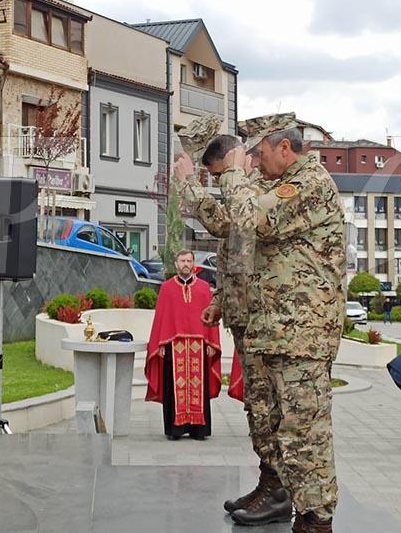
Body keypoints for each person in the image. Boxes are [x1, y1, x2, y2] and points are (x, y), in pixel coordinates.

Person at [207, 113, 345, 532]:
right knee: (283, 428)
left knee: (306, 434)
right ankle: (292, 503)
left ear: (286, 148)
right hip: (278, 328)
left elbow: (252, 220)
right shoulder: (281, 184)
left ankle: (316, 521)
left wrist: (232, 173)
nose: (257, 161)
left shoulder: (309, 184)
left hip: (303, 333)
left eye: (261, 152)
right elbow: (233, 224)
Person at [176, 130, 271, 511]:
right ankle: (270, 485)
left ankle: (277, 492)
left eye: (218, 174)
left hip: (267, 318)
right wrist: (220, 299)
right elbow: (230, 243)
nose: (218, 182)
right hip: (245, 315)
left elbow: (237, 227)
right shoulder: (241, 189)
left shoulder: (256, 188)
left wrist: (200, 183)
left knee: (268, 410)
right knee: (258, 408)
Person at [145, 249, 222, 440]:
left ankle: (199, 430)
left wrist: (212, 341)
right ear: (176, 264)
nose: (185, 264)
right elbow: (161, 318)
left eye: (189, 260)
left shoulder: (204, 288)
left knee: (199, 386)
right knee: (173, 386)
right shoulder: (167, 288)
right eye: (182, 261)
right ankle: (174, 429)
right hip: (174, 345)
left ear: (194, 264)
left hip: (199, 346)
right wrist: (160, 344)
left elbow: (211, 317)